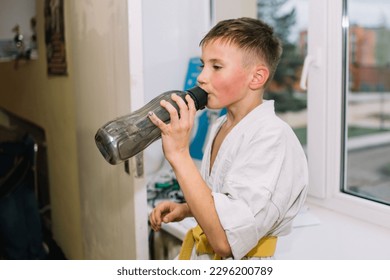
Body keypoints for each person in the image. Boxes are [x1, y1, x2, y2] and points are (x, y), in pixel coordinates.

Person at [148, 17, 308, 260]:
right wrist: (188, 209)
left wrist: (179, 155)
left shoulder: (272, 138)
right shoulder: (221, 124)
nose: (201, 77)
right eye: (203, 65)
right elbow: (226, 201)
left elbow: (225, 241)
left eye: (216, 66)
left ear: (256, 78)